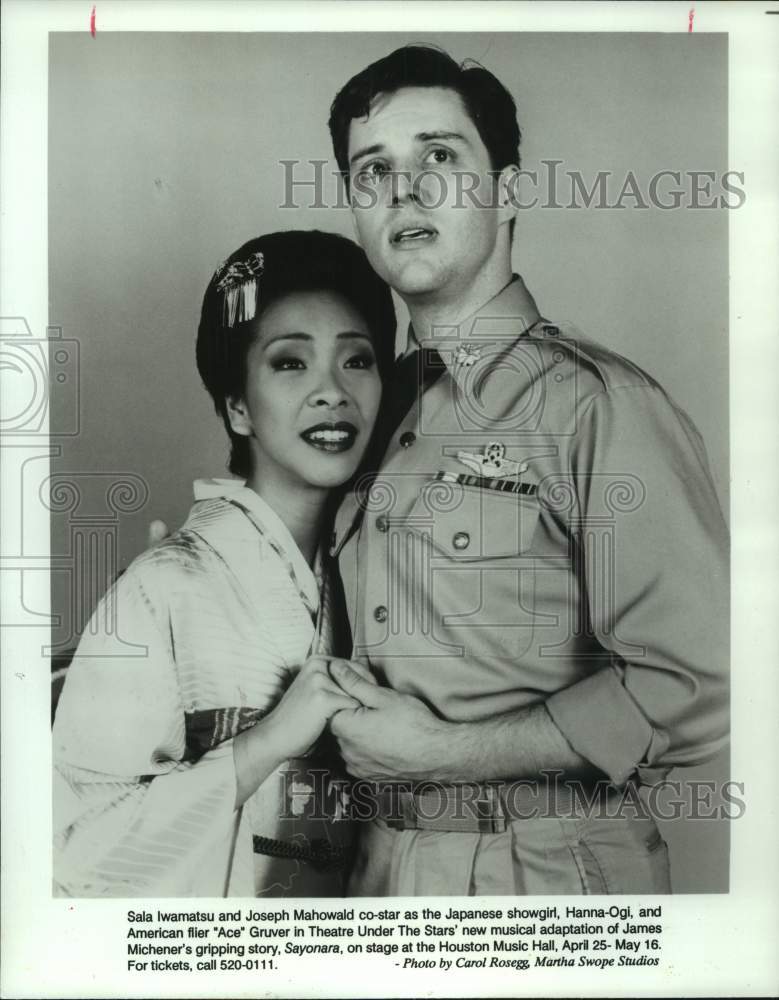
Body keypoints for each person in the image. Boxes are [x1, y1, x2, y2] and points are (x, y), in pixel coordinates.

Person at [320, 45, 729, 895]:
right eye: (372, 171)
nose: (404, 192)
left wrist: (447, 755)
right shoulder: (372, 410)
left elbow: (701, 684)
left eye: (439, 156)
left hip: (542, 870)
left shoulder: (596, 404)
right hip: (379, 867)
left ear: (506, 191)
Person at [52, 230, 394, 897]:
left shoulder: (374, 582)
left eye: (357, 360)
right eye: (291, 363)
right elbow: (76, 853)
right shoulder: (162, 586)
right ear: (238, 407)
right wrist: (265, 743)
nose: (332, 391)